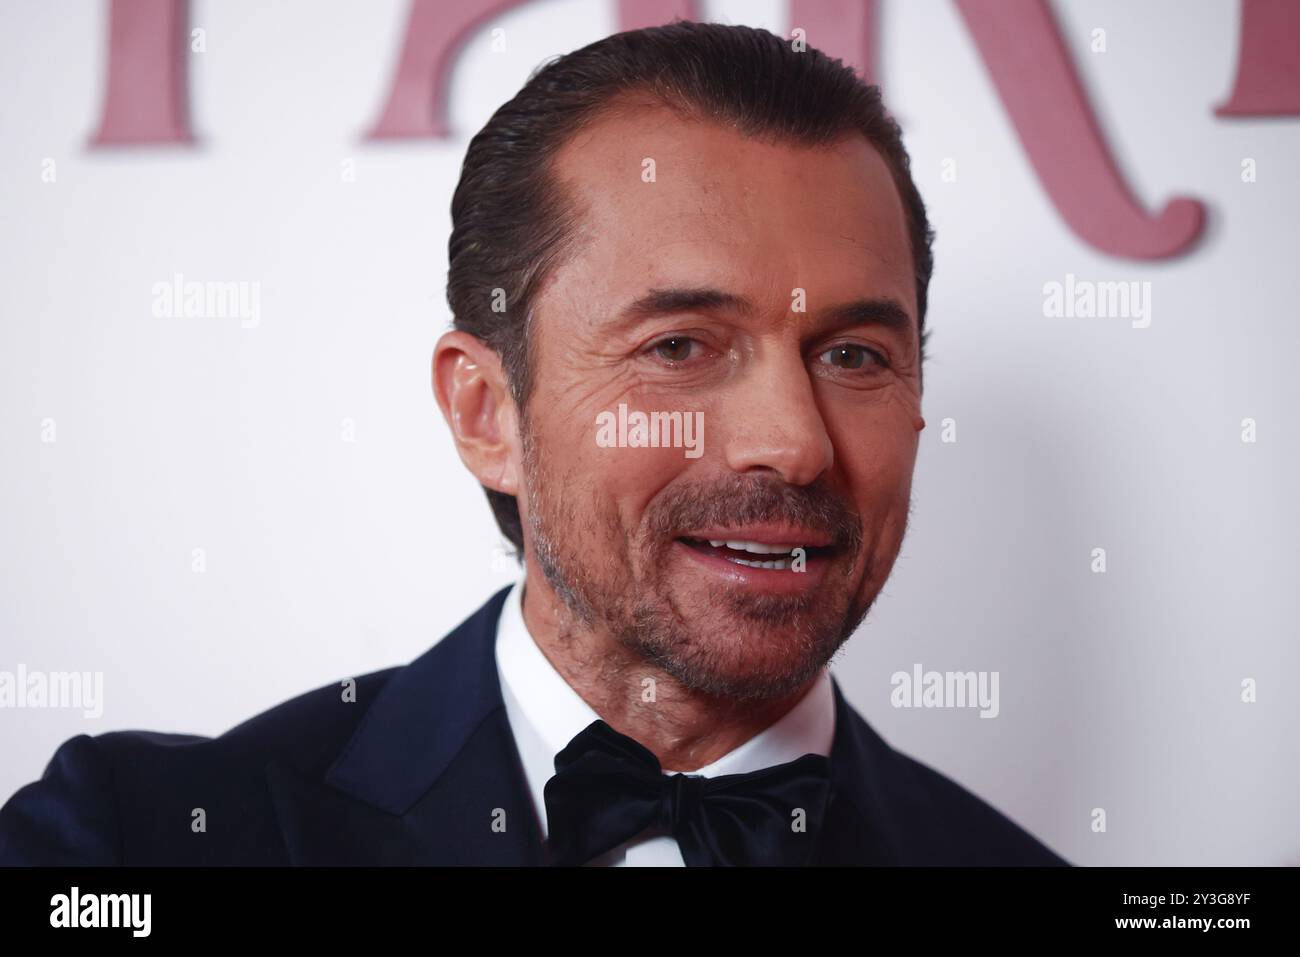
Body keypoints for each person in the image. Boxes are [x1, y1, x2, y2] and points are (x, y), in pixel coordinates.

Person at [0, 21, 1066, 866]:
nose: (792, 446)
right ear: (486, 414)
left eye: (852, 357)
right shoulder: (135, 842)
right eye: (681, 344)